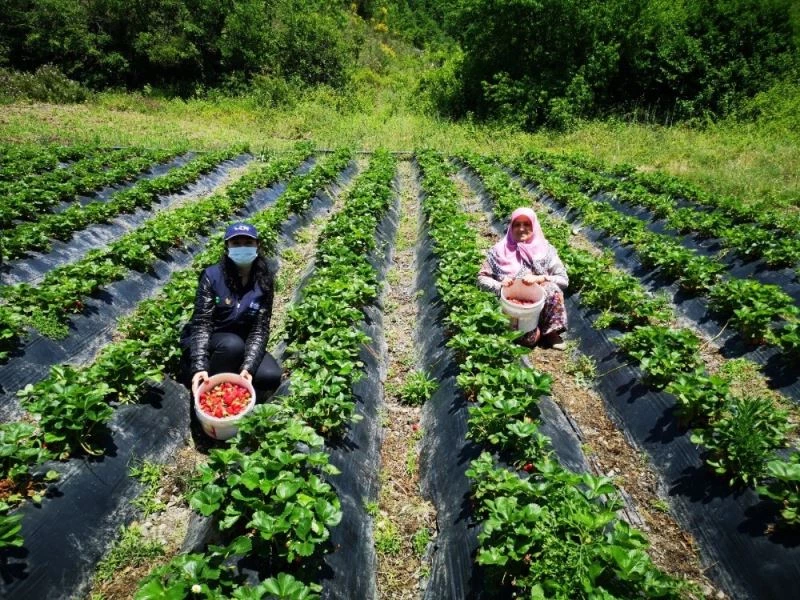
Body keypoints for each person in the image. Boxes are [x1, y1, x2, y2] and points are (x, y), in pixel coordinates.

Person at [180, 222, 282, 400]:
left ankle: (233, 373)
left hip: (241, 341)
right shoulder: (212, 276)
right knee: (231, 345)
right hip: (212, 339)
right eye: (236, 243)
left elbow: (260, 329)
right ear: (227, 247)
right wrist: (199, 366)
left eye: (248, 243)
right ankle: (206, 388)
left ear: (258, 245)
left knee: (269, 376)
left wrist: (248, 367)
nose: (242, 247)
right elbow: (202, 324)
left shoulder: (264, 281)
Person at [478, 207, 568, 349]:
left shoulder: (546, 250)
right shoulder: (498, 251)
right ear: (510, 227)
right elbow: (481, 279)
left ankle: (551, 332)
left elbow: (563, 280)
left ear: (534, 226)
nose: (521, 229)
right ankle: (532, 332)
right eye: (517, 224)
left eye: (526, 224)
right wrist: (500, 285)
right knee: (530, 340)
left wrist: (541, 279)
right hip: (513, 309)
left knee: (552, 288)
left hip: (540, 304)